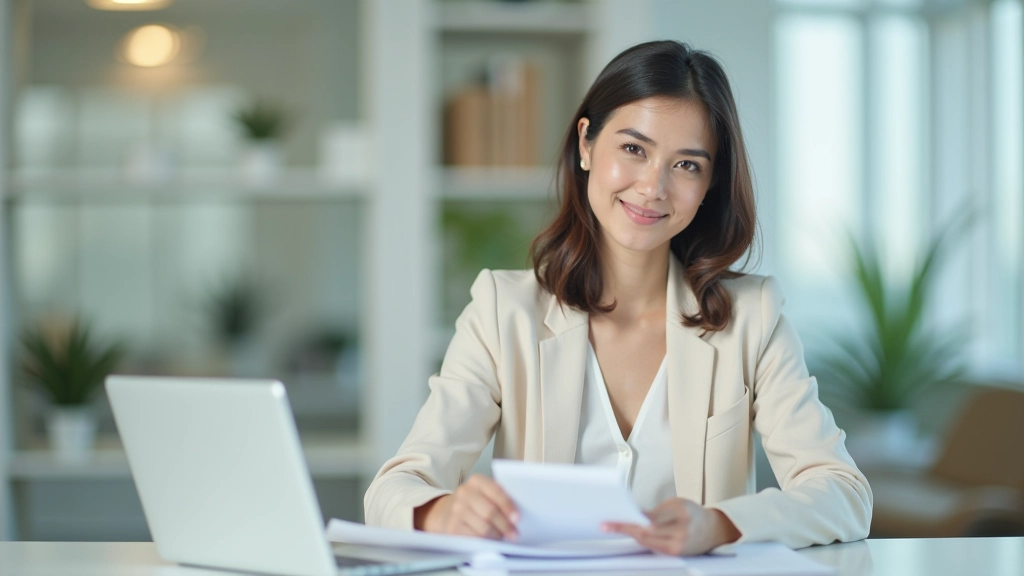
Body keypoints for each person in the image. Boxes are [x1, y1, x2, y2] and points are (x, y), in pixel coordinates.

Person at [364, 40, 872, 556]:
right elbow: (394, 488)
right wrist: (443, 512)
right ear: (586, 143)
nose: (653, 187)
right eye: (634, 149)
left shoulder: (751, 317)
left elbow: (843, 494)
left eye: (687, 165)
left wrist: (719, 524)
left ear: (710, 181)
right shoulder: (502, 312)